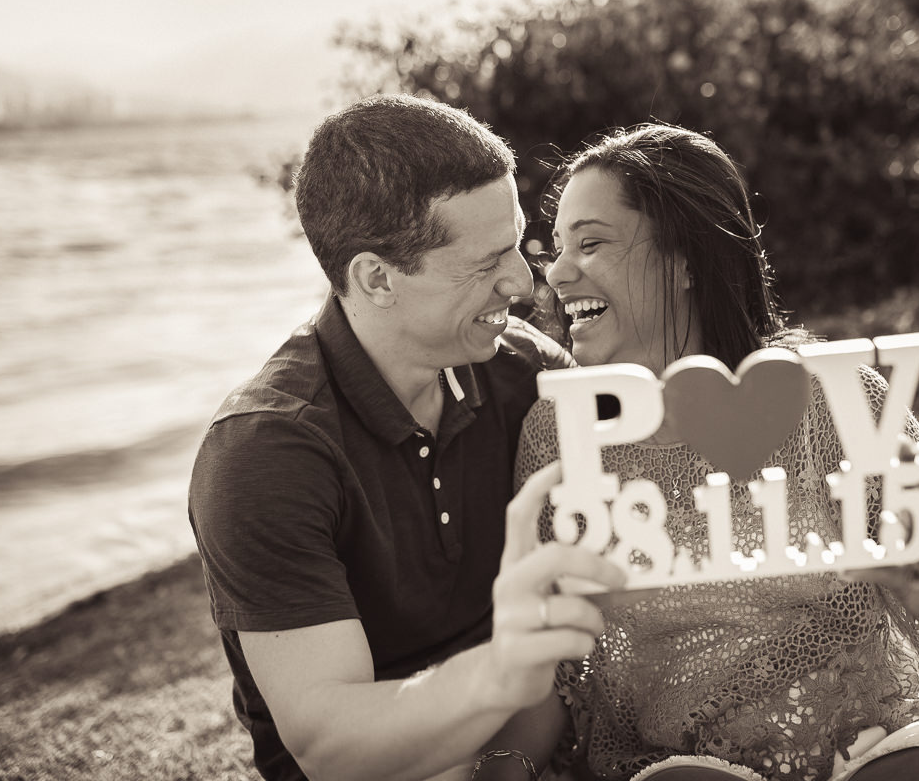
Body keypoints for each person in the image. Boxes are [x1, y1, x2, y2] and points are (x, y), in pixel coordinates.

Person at [499, 124, 919, 781]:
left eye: (592, 243)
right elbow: (551, 670)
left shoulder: (833, 402)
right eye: (555, 249)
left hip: (874, 747)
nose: (555, 271)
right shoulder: (561, 433)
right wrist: (501, 766)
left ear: (685, 258)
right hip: (677, 767)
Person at [187, 93, 627, 781]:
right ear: (375, 279)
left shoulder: (519, 370)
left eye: (515, 242)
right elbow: (329, 742)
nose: (522, 281)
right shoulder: (264, 454)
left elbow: (668, 469)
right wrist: (502, 673)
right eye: (485, 263)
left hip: (533, 739)